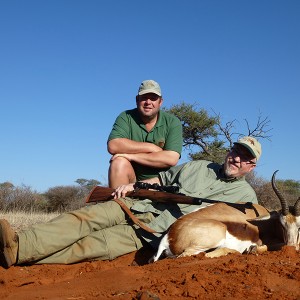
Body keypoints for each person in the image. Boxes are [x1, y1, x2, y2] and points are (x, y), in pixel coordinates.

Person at [0, 136, 261, 268]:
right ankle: (19, 245)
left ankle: (23, 258)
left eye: (244, 158)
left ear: (252, 166)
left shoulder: (247, 198)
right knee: (83, 218)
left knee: (91, 247)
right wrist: (134, 186)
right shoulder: (199, 166)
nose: (237, 159)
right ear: (229, 151)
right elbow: (162, 178)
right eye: (236, 151)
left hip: (153, 233)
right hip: (139, 204)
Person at [107, 79, 183, 188]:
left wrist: (130, 156)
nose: (148, 102)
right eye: (144, 98)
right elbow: (113, 145)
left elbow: (171, 159)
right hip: (132, 179)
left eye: (153, 98)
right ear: (137, 100)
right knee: (118, 162)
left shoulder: (172, 122)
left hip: (161, 181)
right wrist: (151, 147)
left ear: (160, 102)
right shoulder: (126, 117)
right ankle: (118, 203)